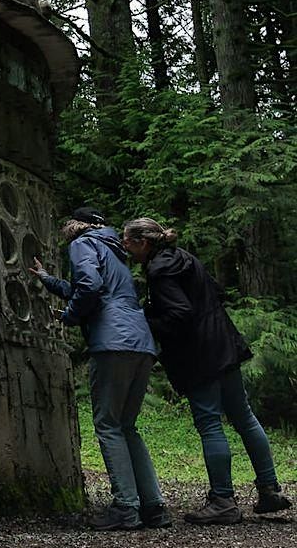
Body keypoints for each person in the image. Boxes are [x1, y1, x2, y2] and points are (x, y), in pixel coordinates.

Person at [123, 217, 292, 524]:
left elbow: (180, 314)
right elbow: (215, 292)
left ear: (143, 243)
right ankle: (269, 489)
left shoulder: (160, 270)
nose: (125, 247)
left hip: (199, 355)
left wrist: (146, 320)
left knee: (210, 423)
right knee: (244, 417)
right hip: (223, 343)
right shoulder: (184, 257)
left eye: (128, 242)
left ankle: (223, 500)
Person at [31, 206, 170, 531]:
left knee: (108, 425)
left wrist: (70, 316)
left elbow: (90, 288)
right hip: (140, 342)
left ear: (74, 225)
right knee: (126, 425)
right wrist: (49, 281)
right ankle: (154, 507)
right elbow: (97, 290)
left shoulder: (82, 244)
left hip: (112, 342)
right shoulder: (114, 249)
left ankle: (125, 506)